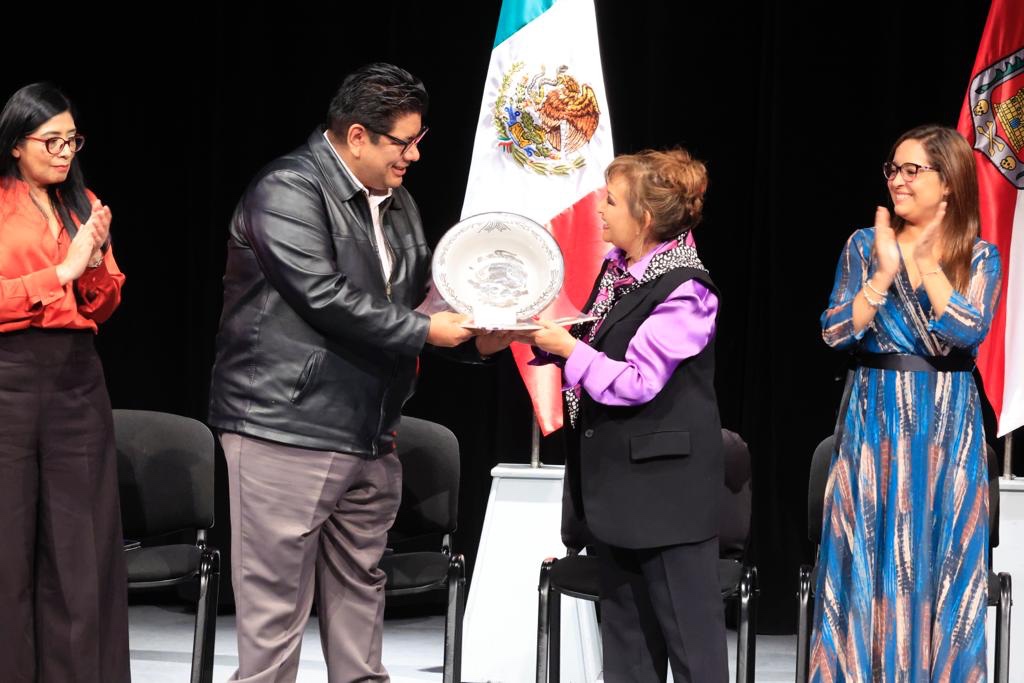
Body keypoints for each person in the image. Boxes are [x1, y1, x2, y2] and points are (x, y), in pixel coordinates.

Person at [208, 62, 477, 683]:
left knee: (361, 594)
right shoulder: (287, 189)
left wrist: (481, 330)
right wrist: (426, 331)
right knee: (275, 616)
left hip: (371, 430)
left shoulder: (399, 202)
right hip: (285, 426)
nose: (414, 155)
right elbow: (324, 295)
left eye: (419, 139)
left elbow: (421, 299)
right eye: (403, 142)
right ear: (357, 136)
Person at [527, 149, 728, 682]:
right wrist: (543, 339)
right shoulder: (619, 272)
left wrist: (569, 351)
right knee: (627, 652)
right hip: (617, 493)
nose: (600, 209)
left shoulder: (687, 288)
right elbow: (600, 346)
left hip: (668, 498)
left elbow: (638, 381)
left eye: (611, 201)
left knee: (694, 653)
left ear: (645, 217)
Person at [812, 124, 1002, 680]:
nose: (897, 180)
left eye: (912, 170)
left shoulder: (980, 256)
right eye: (893, 169)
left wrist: (925, 263)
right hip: (874, 424)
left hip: (946, 429)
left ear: (949, 182)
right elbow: (834, 332)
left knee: (944, 562)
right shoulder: (863, 245)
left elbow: (968, 329)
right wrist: (883, 274)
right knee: (868, 558)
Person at [0, 82, 129, 682]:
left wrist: (95, 262)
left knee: (81, 547)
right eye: (50, 141)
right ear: (15, 143)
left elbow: (102, 305)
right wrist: (60, 273)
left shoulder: (83, 203)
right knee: (8, 545)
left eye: (72, 140)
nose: (63, 153)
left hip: (76, 379)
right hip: (8, 376)